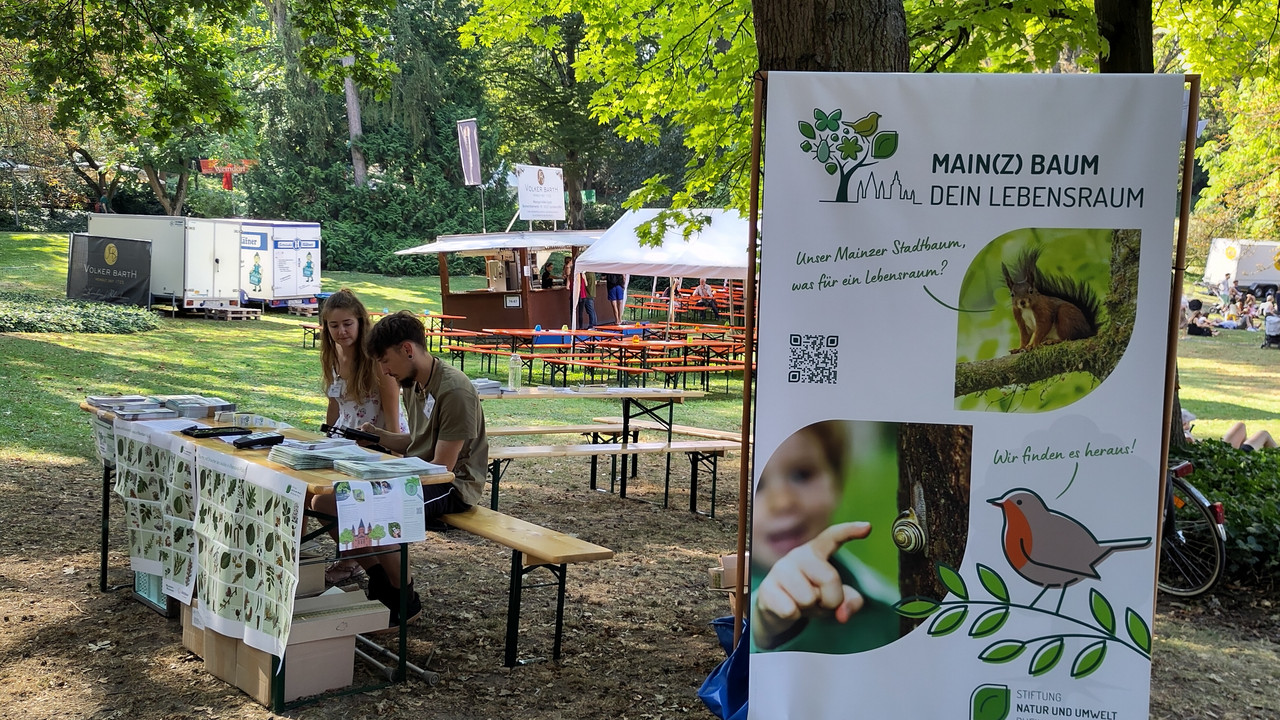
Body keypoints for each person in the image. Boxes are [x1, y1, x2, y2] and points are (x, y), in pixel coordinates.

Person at [308, 310, 489, 626]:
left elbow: (441, 468)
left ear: (408, 349)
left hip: (454, 485)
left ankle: (404, 599)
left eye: (385, 360)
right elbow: (418, 442)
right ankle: (381, 579)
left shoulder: (454, 390)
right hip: (422, 472)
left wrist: (384, 474)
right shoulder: (414, 383)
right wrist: (378, 437)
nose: (383, 370)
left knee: (374, 508)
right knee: (323, 504)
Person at [750, 422, 899, 653]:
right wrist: (763, 623)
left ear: (837, 479)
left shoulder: (889, 606)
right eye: (756, 485)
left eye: (802, 475)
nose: (783, 502)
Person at [318, 289, 407, 585]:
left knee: (366, 511)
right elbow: (335, 404)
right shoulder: (333, 357)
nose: (341, 332)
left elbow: (392, 411)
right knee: (320, 500)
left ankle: (387, 578)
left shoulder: (374, 359)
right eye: (334, 326)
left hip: (376, 445)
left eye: (347, 324)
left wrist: (392, 452)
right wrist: (327, 440)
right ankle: (365, 566)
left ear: (360, 322)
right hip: (346, 443)